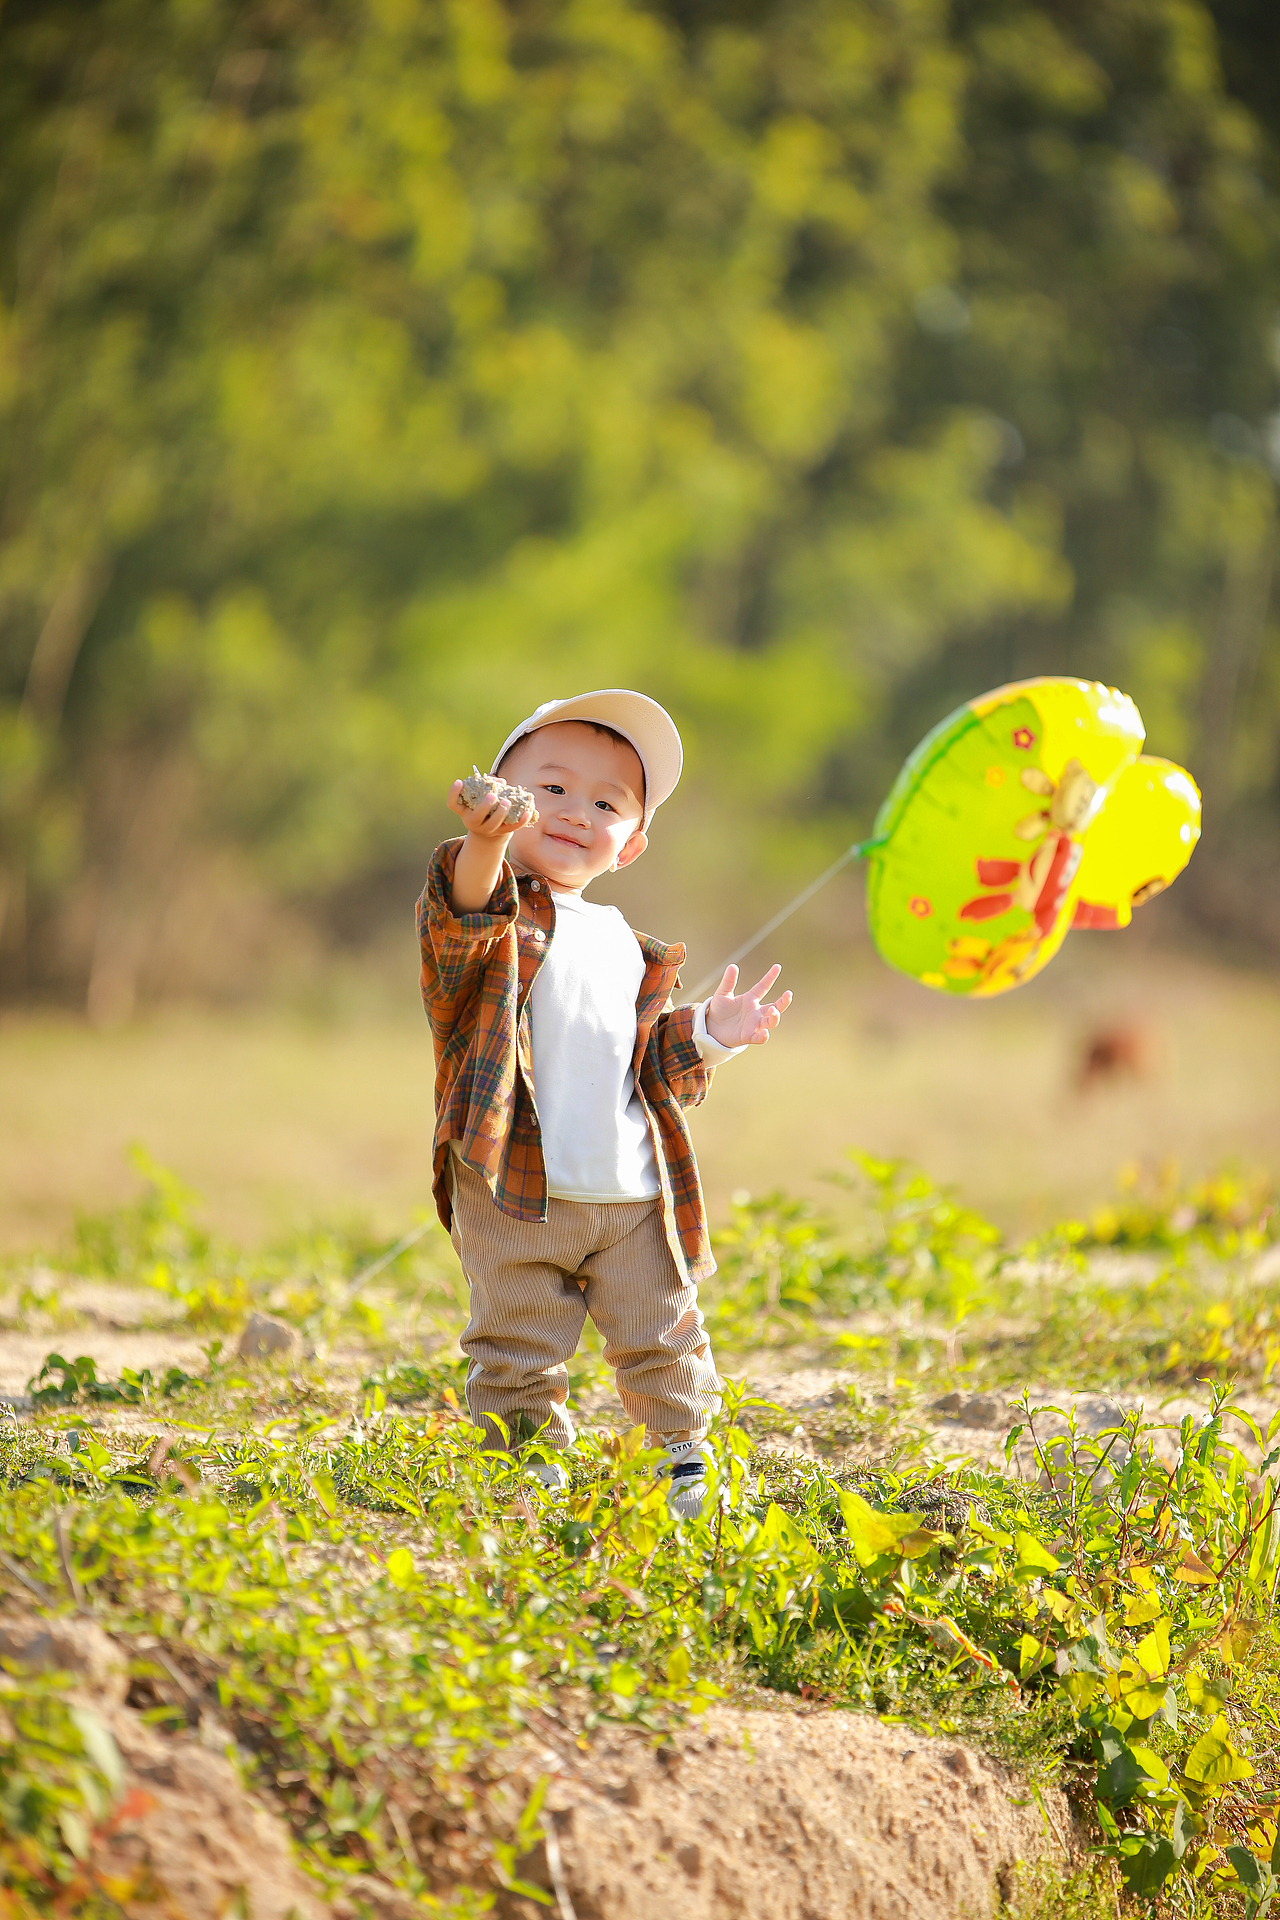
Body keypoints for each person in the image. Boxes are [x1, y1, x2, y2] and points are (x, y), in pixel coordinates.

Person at [417, 690, 792, 1516]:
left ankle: (683, 1457)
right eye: (548, 789)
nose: (575, 812)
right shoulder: (496, 914)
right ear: (503, 795)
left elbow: (649, 1066)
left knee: (664, 1331)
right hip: (515, 1186)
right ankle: (521, 1460)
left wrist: (714, 1035)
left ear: (632, 844)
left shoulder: (626, 942)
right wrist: (485, 841)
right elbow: (464, 914)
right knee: (517, 1340)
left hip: (629, 1193)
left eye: (606, 802)